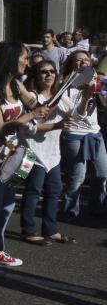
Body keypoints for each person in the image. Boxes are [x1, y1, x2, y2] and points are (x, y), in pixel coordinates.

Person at [0, 42, 49, 274]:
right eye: (24, 58)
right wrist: (31, 115)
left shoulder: (17, 85)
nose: (27, 62)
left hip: (13, 153)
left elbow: (37, 104)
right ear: (11, 59)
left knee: (6, 206)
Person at [19, 59, 79, 244]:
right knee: (32, 191)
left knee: (54, 191)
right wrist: (57, 125)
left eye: (52, 71)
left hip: (53, 154)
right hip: (32, 152)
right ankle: (28, 231)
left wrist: (86, 95)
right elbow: (30, 127)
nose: (49, 75)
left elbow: (78, 114)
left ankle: (50, 229)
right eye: (44, 72)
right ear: (36, 76)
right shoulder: (30, 96)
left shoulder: (61, 96)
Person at [58, 50, 107, 219]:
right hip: (73, 134)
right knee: (78, 175)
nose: (82, 63)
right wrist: (85, 96)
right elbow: (76, 114)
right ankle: (70, 210)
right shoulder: (64, 86)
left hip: (94, 133)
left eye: (86, 60)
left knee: (102, 173)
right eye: (78, 61)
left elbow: (105, 105)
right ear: (71, 65)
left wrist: (100, 91)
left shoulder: (97, 82)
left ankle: (97, 206)